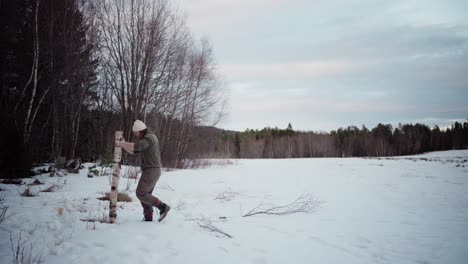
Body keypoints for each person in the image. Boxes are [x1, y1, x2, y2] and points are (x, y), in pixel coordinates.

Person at [117, 120, 170, 222]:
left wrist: (123, 144)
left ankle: (162, 207)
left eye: (136, 133)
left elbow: (137, 147)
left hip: (152, 170)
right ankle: (148, 217)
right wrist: (123, 144)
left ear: (141, 131)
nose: (135, 135)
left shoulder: (149, 138)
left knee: (141, 193)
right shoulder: (146, 138)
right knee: (145, 196)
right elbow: (134, 150)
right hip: (151, 170)